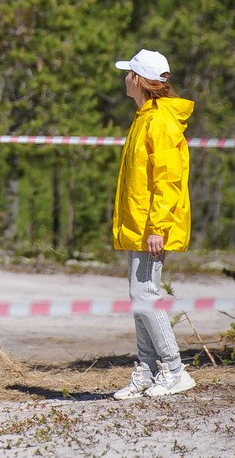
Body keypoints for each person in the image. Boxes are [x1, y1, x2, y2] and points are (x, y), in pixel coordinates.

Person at [110, 48, 196, 400]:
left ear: (141, 81)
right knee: (139, 295)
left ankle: (175, 370)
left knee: (145, 293)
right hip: (138, 224)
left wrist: (158, 226)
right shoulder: (145, 116)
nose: (125, 78)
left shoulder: (159, 121)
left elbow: (168, 179)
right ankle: (146, 371)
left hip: (151, 227)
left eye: (129, 73)